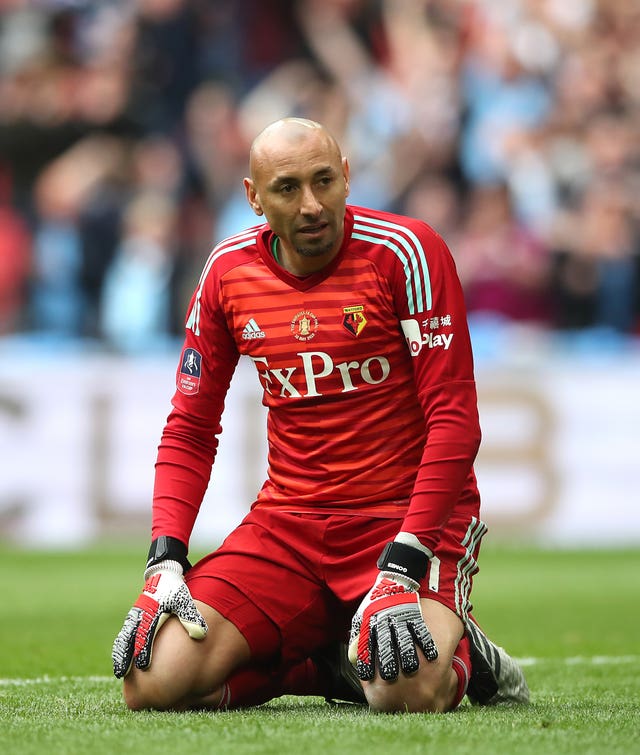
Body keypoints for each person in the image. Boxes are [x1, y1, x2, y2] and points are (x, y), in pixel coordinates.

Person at [112, 117, 529, 713]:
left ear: (347, 177)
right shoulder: (228, 273)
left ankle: (470, 657)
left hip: (406, 519)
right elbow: (190, 427)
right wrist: (165, 560)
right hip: (290, 523)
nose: (311, 205)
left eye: (324, 181)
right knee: (153, 681)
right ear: (253, 197)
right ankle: (328, 664)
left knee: (402, 692)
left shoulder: (406, 252)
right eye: (287, 188)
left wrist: (408, 557)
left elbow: (455, 420)